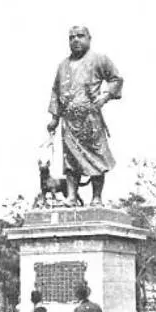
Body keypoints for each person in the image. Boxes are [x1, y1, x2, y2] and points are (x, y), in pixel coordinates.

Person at [47, 25, 123, 207]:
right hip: (69, 121)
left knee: (97, 158)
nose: (75, 40)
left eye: (80, 36)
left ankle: (96, 197)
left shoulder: (99, 59)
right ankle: (72, 197)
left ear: (89, 38)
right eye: (71, 37)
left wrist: (105, 96)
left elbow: (116, 79)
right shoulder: (63, 66)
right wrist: (55, 118)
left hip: (90, 119)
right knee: (70, 161)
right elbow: (56, 92)